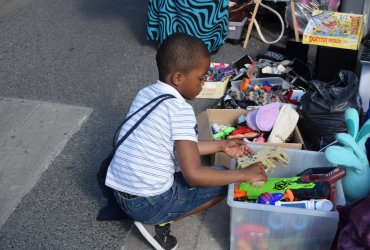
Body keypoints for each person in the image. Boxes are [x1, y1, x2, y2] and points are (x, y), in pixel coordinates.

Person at [105, 33, 267, 250]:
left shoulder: (146, 93)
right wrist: (245, 174)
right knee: (221, 185)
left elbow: (181, 148)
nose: (204, 83)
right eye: (201, 77)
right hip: (145, 203)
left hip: (119, 191)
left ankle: (154, 212)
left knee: (217, 171)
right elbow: (194, 176)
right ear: (178, 78)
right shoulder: (180, 110)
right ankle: (159, 221)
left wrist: (221, 145)